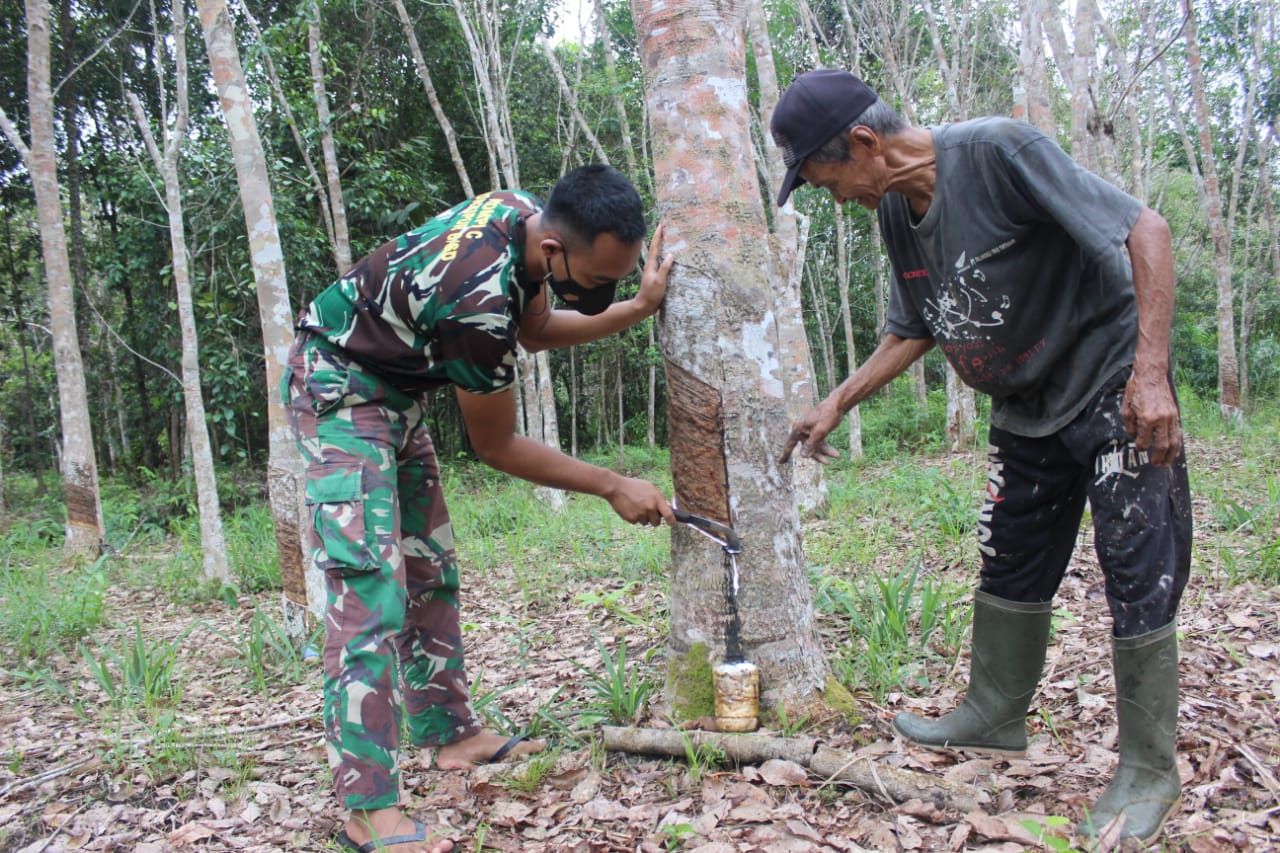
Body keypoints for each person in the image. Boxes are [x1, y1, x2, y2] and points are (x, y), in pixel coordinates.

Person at [770, 70, 1191, 844]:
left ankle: (1148, 769)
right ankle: (995, 711)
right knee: (1009, 559)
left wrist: (1153, 371)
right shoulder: (898, 213)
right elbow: (912, 327)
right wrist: (837, 400)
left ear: (864, 144)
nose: (836, 199)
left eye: (830, 180)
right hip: (1025, 406)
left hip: (1108, 384)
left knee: (1135, 569)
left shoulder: (1000, 151)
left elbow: (1147, 230)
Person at [284, 164, 677, 853]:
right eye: (597, 281)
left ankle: (450, 733)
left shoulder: (523, 215)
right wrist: (613, 483)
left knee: (429, 567)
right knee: (370, 587)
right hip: (340, 389)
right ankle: (367, 803)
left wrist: (636, 309)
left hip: (395, 394)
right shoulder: (477, 298)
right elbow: (495, 445)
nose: (602, 292)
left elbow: (537, 329)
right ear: (555, 251)